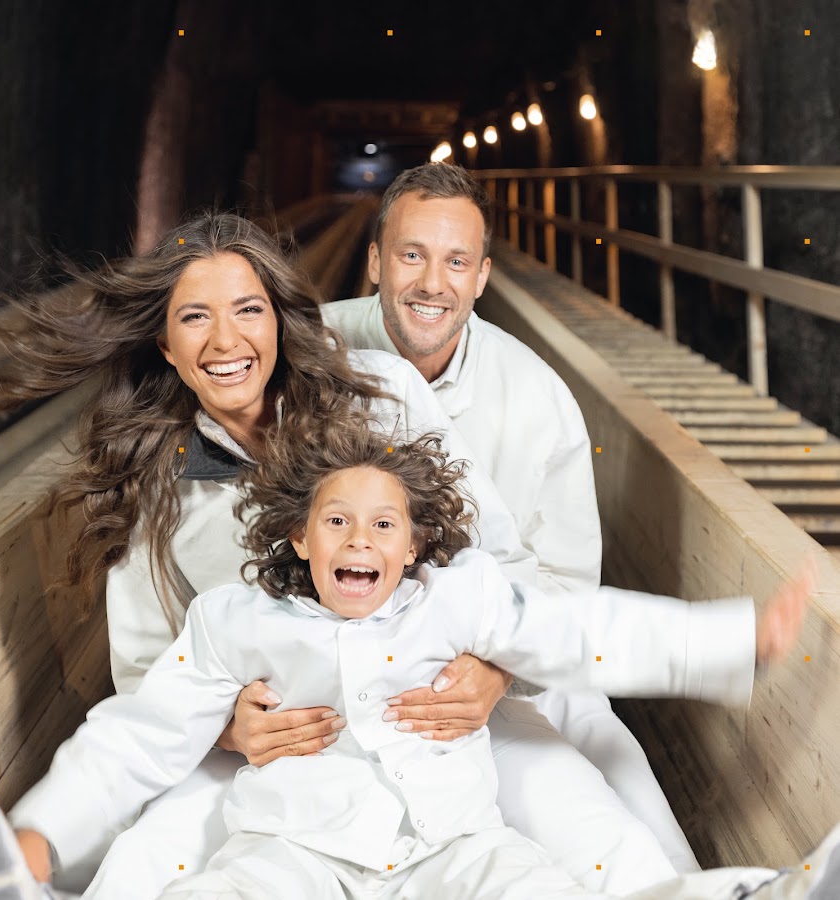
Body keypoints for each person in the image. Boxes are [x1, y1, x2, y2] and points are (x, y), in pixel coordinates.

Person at [0, 211, 615, 898]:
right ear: (165, 343)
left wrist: (495, 672)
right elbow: (149, 683)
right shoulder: (156, 483)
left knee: (596, 830)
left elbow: (500, 560)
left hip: (442, 717)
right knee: (146, 861)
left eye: (248, 309)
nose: (225, 340)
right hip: (280, 753)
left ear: (278, 320)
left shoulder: (383, 394)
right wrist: (227, 729)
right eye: (194, 318)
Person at [0, 423, 827, 900]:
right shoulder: (236, 620)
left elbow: (584, 631)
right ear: (300, 537)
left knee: (539, 891)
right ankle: (19, 889)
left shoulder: (462, 598)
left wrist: (735, 637)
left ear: (414, 546)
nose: (359, 538)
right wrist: (41, 834)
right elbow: (138, 733)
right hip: (295, 846)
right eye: (336, 522)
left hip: (451, 845)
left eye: (383, 524)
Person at [320, 162, 700, 879]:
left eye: (456, 261)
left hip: (509, 653)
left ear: (482, 277)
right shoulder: (309, 354)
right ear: (374, 261)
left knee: (614, 768)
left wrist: (500, 670)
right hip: (354, 652)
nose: (433, 283)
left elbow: (565, 582)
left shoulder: (537, 397)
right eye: (411, 254)